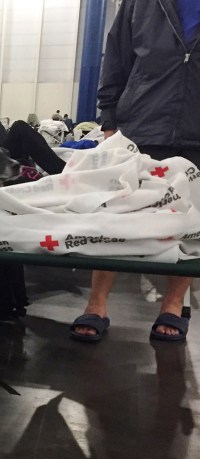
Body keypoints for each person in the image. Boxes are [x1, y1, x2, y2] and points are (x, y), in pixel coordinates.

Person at [70, 0, 200, 343]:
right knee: (117, 212)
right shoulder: (141, 3)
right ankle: (96, 302)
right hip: (143, 123)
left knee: (192, 219)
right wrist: (109, 119)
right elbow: (117, 56)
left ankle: (172, 305)